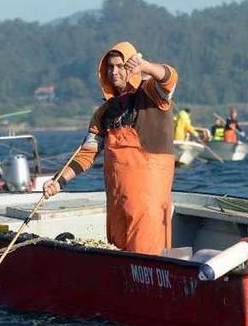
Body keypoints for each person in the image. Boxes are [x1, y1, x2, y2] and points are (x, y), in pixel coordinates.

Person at [43, 42, 178, 255]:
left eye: (120, 66)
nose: (114, 72)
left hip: (148, 205)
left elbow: (169, 77)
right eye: (110, 67)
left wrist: (146, 67)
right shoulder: (104, 112)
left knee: (146, 255)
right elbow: (87, 153)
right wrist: (59, 181)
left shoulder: (152, 95)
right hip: (117, 203)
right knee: (117, 254)